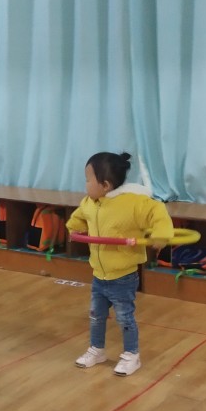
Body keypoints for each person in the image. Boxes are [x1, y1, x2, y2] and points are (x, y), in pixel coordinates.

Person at [66, 151, 173, 376]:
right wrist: (73, 229)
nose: (85, 185)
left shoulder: (133, 203)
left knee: (124, 318)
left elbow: (158, 212)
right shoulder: (90, 203)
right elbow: (79, 216)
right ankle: (97, 349)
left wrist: (161, 235)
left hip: (123, 277)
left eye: (88, 180)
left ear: (105, 185)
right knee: (96, 315)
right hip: (99, 274)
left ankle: (132, 355)